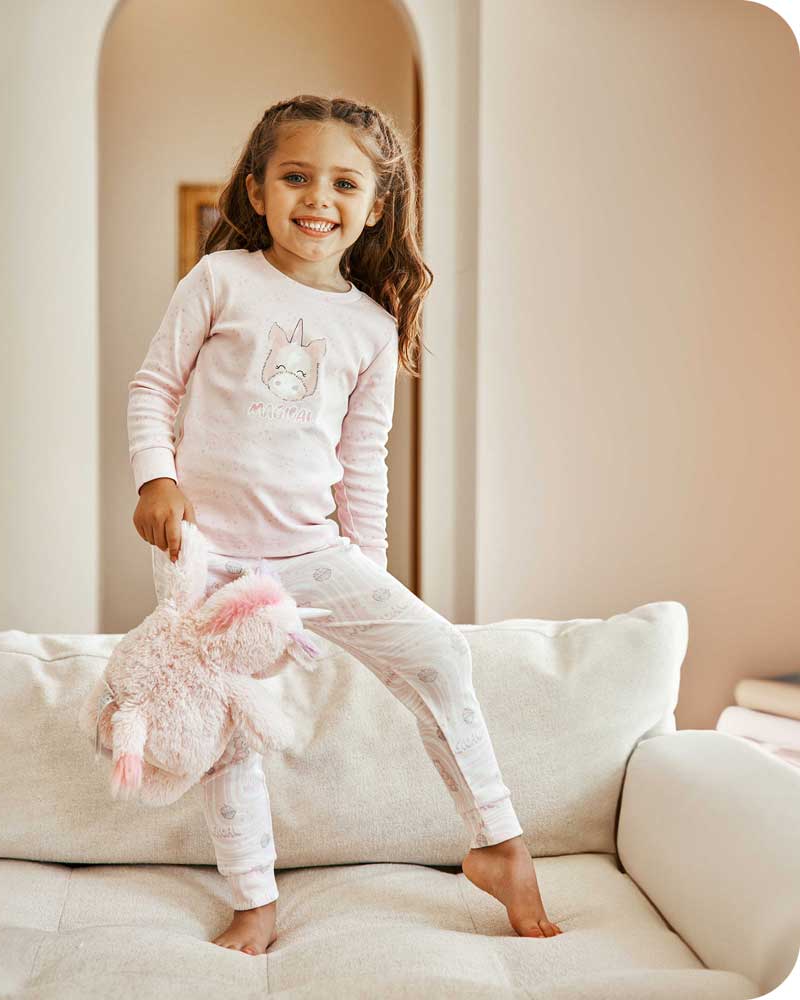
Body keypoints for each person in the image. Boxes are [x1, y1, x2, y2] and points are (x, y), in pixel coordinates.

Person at [128, 95, 563, 956]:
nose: (317, 198)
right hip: (208, 557)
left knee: (440, 653)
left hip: (316, 553)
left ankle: (498, 841)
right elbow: (154, 388)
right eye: (296, 176)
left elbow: (364, 462)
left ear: (375, 205)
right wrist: (157, 480)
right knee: (232, 730)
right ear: (258, 190)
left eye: (343, 183)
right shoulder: (219, 281)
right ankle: (254, 900)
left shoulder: (371, 324)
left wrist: (371, 572)